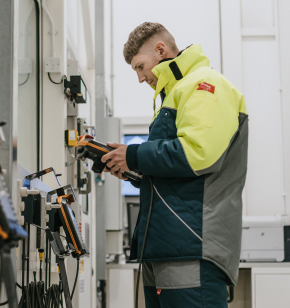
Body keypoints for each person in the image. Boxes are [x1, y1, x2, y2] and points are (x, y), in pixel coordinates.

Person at [102, 22, 248, 308]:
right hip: (167, 245)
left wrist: (134, 155)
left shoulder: (205, 85)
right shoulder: (176, 93)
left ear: (160, 50)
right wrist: (132, 170)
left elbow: (198, 153)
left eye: (140, 67)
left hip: (193, 244)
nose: (141, 78)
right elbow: (176, 171)